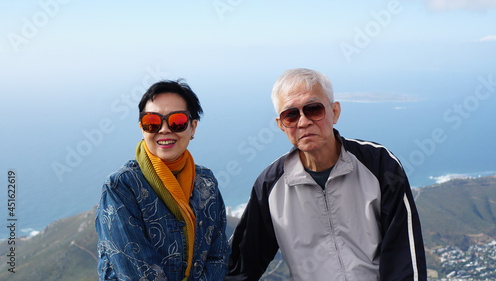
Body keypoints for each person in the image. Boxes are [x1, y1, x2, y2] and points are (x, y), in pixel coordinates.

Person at [225, 68, 427, 280]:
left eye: (313, 109)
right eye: (290, 115)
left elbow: (404, 258)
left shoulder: (380, 165)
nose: (303, 122)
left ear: (335, 112)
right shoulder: (269, 186)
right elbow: (240, 266)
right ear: (281, 125)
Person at [95, 80, 230, 280]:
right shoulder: (122, 186)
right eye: (152, 122)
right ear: (142, 128)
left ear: (192, 128)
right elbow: (137, 271)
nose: (164, 130)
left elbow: (218, 256)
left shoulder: (206, 182)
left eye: (177, 121)